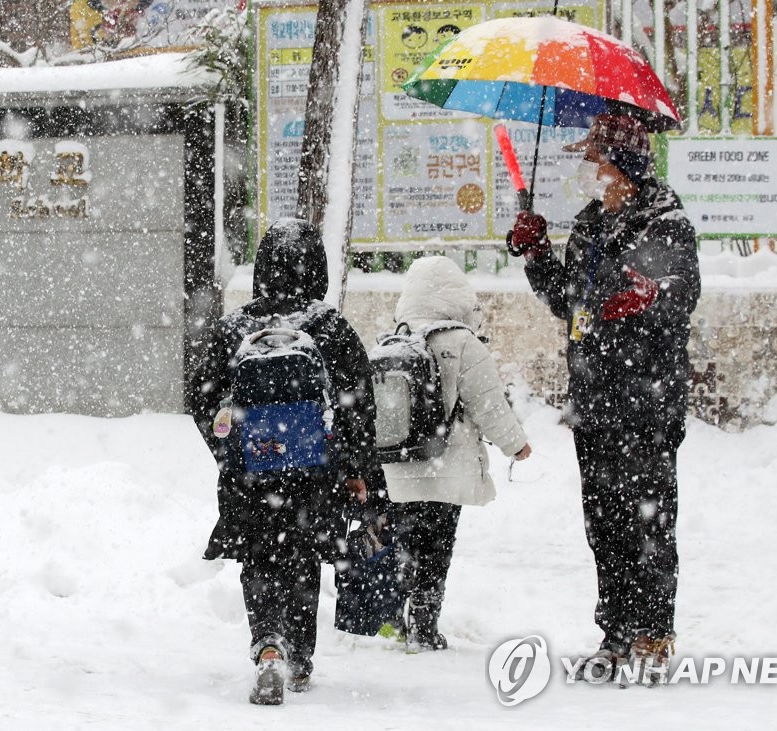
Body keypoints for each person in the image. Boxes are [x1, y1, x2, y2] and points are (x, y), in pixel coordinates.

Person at [507, 114, 701, 684]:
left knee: (650, 518)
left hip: (647, 399)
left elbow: (679, 297)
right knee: (605, 521)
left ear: (626, 166)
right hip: (595, 400)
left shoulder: (666, 222)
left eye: (598, 159)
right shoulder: (590, 226)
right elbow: (570, 304)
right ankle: (615, 630)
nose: (590, 170)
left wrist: (643, 299)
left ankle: (653, 632)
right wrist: (538, 253)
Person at [188, 218, 380, 704]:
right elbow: (359, 403)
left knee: (260, 554)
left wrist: (230, 448)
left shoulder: (236, 327)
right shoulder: (329, 328)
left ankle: (268, 646)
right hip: (314, 472)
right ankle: (299, 658)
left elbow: (200, 395)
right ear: (317, 269)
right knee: (302, 556)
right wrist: (354, 466)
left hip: (251, 472)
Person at [381, 255, 532, 653]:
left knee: (403, 543)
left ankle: (395, 618)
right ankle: (425, 625)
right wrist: (516, 444)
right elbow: (489, 405)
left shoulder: (391, 340)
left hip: (400, 468)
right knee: (437, 545)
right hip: (447, 468)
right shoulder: (464, 343)